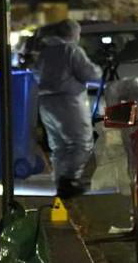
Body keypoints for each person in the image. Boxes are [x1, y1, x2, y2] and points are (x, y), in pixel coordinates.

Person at [32, 19, 102, 197]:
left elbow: (35, 72)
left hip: (46, 103)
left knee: (60, 146)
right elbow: (89, 74)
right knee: (81, 143)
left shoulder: (45, 52)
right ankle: (69, 180)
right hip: (69, 101)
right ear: (72, 34)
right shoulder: (71, 50)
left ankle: (60, 180)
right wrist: (100, 71)